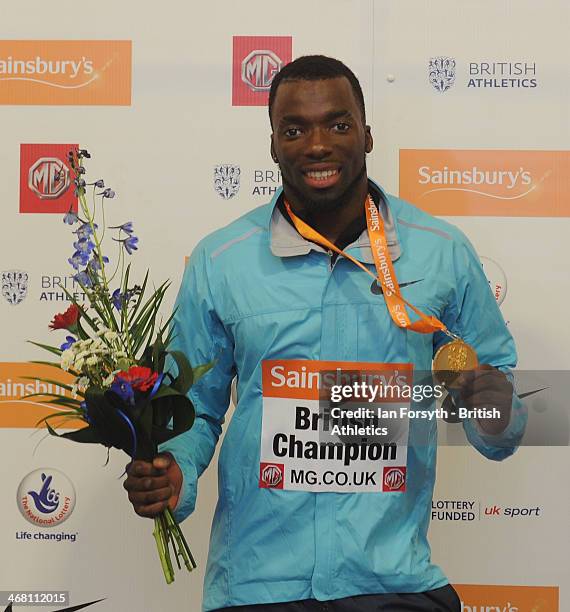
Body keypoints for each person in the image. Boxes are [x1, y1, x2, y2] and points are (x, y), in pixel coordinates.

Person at [124, 56, 526, 611]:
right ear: (272, 145)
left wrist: (489, 401)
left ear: (367, 135)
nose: (317, 145)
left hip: (393, 584)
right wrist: (175, 474)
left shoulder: (441, 251)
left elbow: (502, 422)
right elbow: (193, 405)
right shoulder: (221, 261)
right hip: (258, 586)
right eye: (295, 129)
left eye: (338, 125)